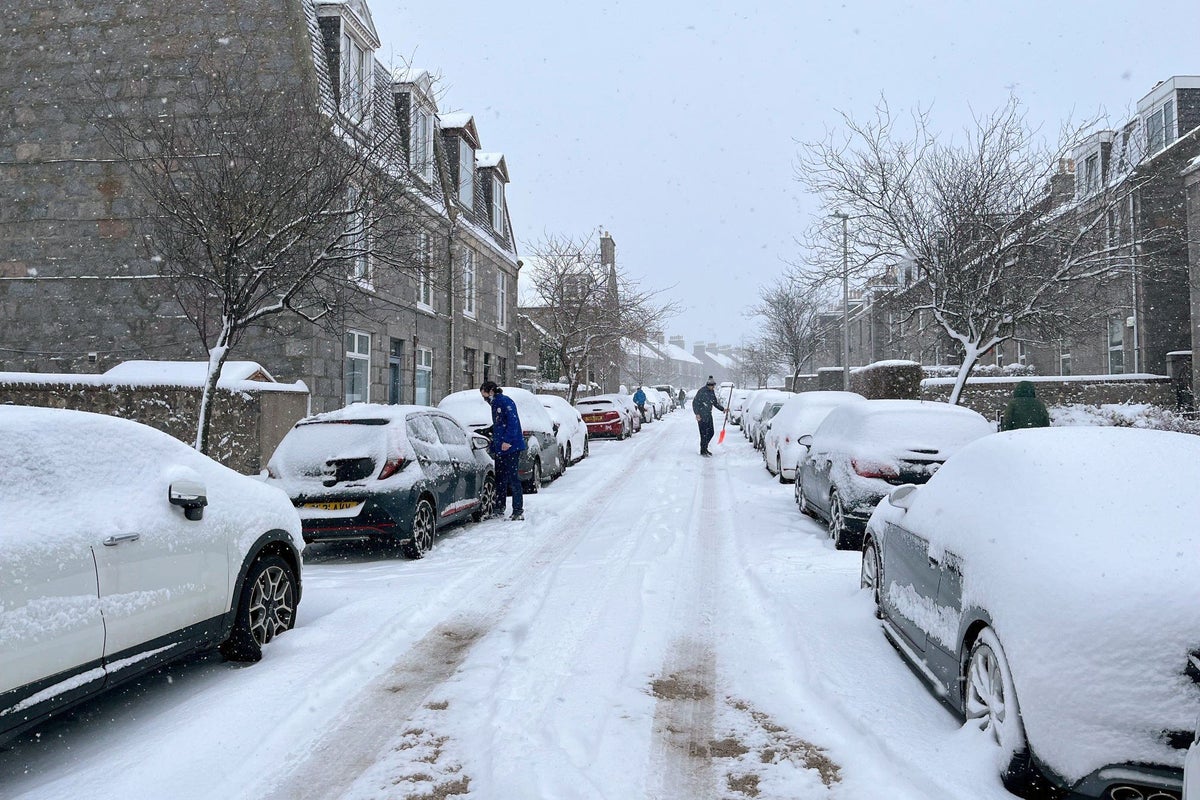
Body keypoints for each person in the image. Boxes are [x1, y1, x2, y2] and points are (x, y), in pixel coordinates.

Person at [480, 380, 527, 520]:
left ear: (492, 392)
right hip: (500, 448)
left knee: (513, 478)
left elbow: (513, 422)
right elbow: (499, 424)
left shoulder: (504, 402)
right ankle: (499, 507)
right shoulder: (495, 404)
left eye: (485, 396)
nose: (485, 399)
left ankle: (518, 510)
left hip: (511, 447)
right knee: (500, 478)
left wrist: (507, 440)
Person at [691, 377, 726, 456]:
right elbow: (695, 403)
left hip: (709, 415)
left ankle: (705, 448)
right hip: (701, 416)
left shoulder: (711, 392)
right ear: (709, 385)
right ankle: (703, 450)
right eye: (713, 386)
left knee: (711, 432)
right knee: (703, 434)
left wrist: (723, 409)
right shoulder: (701, 391)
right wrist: (697, 414)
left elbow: (715, 403)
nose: (714, 387)